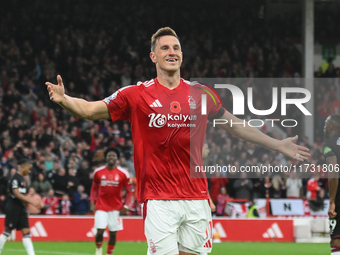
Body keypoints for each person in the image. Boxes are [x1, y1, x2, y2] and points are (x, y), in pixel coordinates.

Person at [46, 27, 310, 255]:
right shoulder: (136, 95)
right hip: (158, 199)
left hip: (196, 197)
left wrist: (276, 144)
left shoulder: (201, 94)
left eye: (176, 47)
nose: (171, 52)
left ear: (182, 54)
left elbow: (236, 126)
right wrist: (65, 100)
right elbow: (91, 110)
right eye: (164, 48)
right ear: (153, 56)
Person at [90, 147, 132, 255]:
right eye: (109, 156)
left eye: (114, 156)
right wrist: (92, 203)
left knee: (113, 234)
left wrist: (126, 206)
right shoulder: (98, 172)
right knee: (100, 231)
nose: (111, 157)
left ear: (117, 159)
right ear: (106, 158)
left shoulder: (123, 173)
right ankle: (99, 248)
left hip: (116, 208)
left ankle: (109, 253)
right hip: (101, 206)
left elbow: (129, 191)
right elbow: (94, 188)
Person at [0, 159, 41, 255]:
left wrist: (25, 207)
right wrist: (32, 202)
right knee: (7, 231)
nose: (29, 171)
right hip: (13, 206)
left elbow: (22, 195)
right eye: (29, 168)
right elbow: (17, 194)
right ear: (23, 166)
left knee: (26, 231)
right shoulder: (15, 178)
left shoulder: (22, 179)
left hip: (21, 207)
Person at [323, 115, 340, 255]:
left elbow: (334, 172)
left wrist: (332, 201)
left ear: (333, 126)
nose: (324, 127)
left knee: (336, 240)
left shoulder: (329, 144)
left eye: (326, 124)